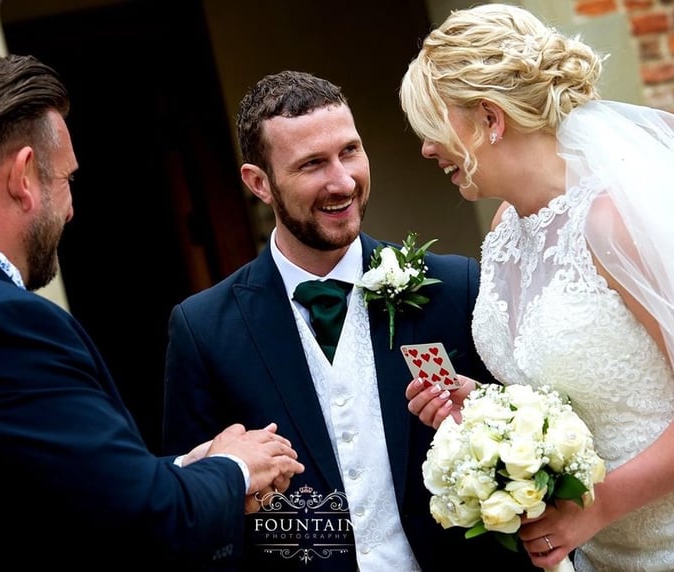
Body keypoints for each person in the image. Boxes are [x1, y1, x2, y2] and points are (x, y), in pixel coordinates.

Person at [0, 50, 305, 570]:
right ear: (24, 176)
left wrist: (185, 468)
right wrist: (236, 468)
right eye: (67, 180)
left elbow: (35, 493)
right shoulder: (0, 324)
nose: (71, 208)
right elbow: (145, 523)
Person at [161, 70, 535, 571]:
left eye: (350, 151)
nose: (342, 181)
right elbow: (194, 512)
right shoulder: (203, 329)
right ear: (259, 183)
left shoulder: (453, 288)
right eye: (312, 164)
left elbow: (524, 446)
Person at [400, 4, 674, 571]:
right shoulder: (505, 230)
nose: (425, 148)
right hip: (594, 556)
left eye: (433, 124)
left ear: (490, 118)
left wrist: (598, 506)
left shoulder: (611, 222)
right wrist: (484, 410)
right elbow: (560, 390)